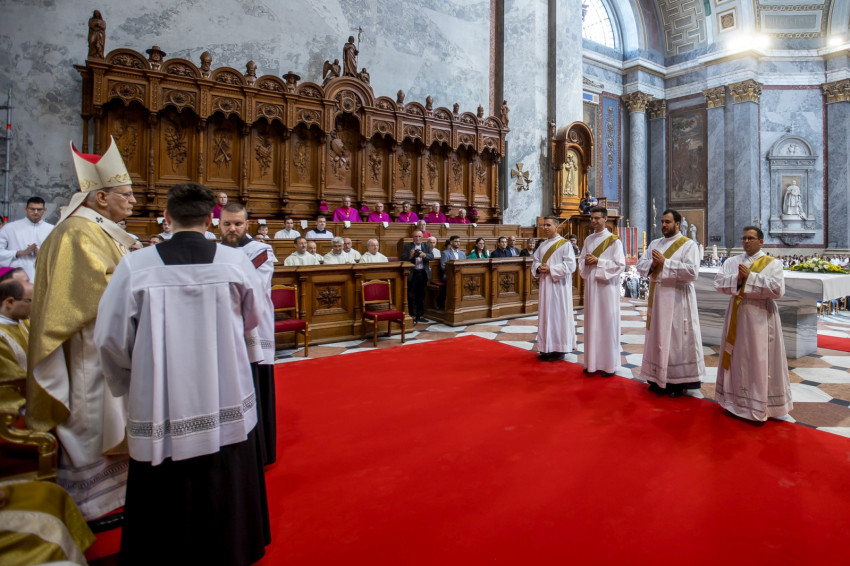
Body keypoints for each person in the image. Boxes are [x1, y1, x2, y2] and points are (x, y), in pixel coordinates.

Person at [94, 182, 270, 566]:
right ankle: (231, 548)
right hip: (225, 388)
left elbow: (109, 337)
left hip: (159, 396)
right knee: (225, 462)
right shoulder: (234, 262)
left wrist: (131, 378)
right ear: (210, 220)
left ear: (167, 217)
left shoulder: (135, 265)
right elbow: (254, 318)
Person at [26, 137, 137, 519]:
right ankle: (94, 500)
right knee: (92, 414)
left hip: (107, 342)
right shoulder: (78, 232)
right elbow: (91, 294)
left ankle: (115, 492)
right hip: (87, 347)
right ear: (101, 198)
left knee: (110, 414)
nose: (133, 201)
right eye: (126, 194)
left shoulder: (97, 229)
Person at [713, 226, 793, 422]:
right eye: (744, 238)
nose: (746, 242)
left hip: (761, 316)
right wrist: (737, 279)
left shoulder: (773, 264)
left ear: (761, 242)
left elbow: (778, 289)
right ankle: (733, 402)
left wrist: (750, 277)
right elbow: (718, 282)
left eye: (750, 238)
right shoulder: (732, 262)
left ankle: (759, 405)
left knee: (759, 358)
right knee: (736, 356)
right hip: (737, 313)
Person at [219, 202, 278, 464]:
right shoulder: (215, 250)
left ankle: (260, 452)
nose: (232, 229)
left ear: (247, 224)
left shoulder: (260, 250)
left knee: (256, 385)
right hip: (225, 329)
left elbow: (252, 286)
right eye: (227, 224)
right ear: (218, 225)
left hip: (253, 328)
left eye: (237, 223)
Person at [637, 209, 705, 397]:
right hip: (657, 297)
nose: (664, 225)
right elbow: (640, 265)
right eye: (662, 222)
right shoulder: (655, 243)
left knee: (676, 339)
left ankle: (677, 382)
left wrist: (665, 263)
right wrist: (653, 264)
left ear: (677, 224)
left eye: (668, 222)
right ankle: (656, 377)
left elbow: (692, 272)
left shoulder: (688, 245)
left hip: (678, 301)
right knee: (657, 336)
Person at [578, 206, 625, 377]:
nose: (593, 221)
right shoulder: (588, 239)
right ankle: (592, 363)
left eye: (597, 218)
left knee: (606, 324)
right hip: (592, 286)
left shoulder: (614, 241)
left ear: (605, 219)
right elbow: (581, 260)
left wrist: (598, 261)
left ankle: (608, 365)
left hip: (607, 288)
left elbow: (620, 265)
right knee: (592, 323)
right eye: (592, 218)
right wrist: (586, 262)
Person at [532, 217, 576, 362]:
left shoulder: (565, 244)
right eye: (544, 225)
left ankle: (559, 349)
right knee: (546, 316)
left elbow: (570, 265)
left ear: (556, 226)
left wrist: (552, 269)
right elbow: (535, 261)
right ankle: (547, 347)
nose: (545, 227)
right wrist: (538, 267)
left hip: (559, 287)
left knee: (558, 316)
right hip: (545, 286)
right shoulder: (543, 245)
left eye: (548, 225)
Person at [0, 196, 54, 281]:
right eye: (32, 209)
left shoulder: (52, 230)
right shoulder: (10, 228)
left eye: (39, 209)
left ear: (45, 210)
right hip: (17, 274)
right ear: (26, 209)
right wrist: (18, 253)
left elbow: (57, 254)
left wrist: (41, 254)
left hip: (42, 273)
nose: (35, 212)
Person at [0, 278, 33, 381]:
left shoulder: (25, 322)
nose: (35, 306)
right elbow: (12, 378)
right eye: (30, 301)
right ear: (10, 302)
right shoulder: (1, 335)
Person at [402, 230, 433, 323]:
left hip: (423, 273)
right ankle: (411, 315)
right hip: (412, 273)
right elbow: (403, 258)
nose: (417, 238)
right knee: (411, 295)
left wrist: (424, 255)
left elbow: (431, 256)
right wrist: (410, 256)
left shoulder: (426, 246)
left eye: (419, 236)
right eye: (415, 236)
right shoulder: (408, 246)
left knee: (421, 295)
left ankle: (420, 315)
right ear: (413, 237)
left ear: (422, 237)